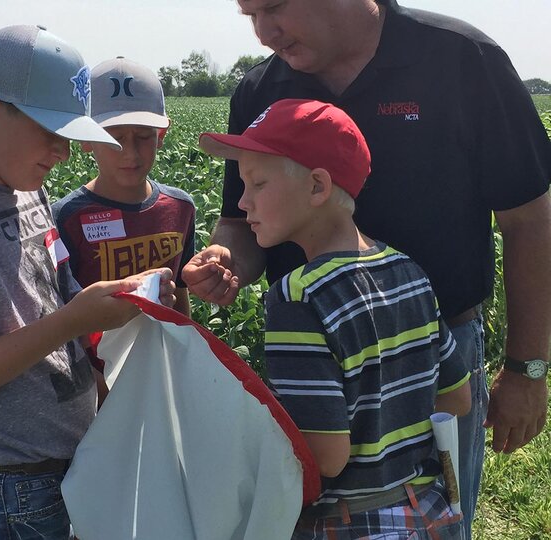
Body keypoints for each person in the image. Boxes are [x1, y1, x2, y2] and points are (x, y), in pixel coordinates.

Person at [182, 1, 551, 535]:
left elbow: (529, 220)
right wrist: (224, 260)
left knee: (441, 508)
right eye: (250, 14)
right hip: (314, 359)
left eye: (275, 6)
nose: (264, 31)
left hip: (433, 345)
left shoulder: (461, 60)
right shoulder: (261, 92)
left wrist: (527, 369)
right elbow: (238, 222)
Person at [0, 25, 176, 539]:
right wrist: (75, 319)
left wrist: (124, 298)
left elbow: (52, 299)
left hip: (49, 474)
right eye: (49, 133)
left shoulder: (27, 192)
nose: (62, 153)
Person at [198, 97, 471, 538]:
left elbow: (326, 456)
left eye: (258, 183)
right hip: (428, 514)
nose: (243, 202)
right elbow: (457, 399)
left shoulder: (297, 297)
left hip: (348, 524)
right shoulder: (409, 272)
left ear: (317, 187)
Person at [52, 57, 195, 318]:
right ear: (87, 139)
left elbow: (181, 300)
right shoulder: (65, 217)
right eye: (114, 139)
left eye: (143, 137)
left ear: (161, 136)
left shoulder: (180, 208)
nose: (130, 153)